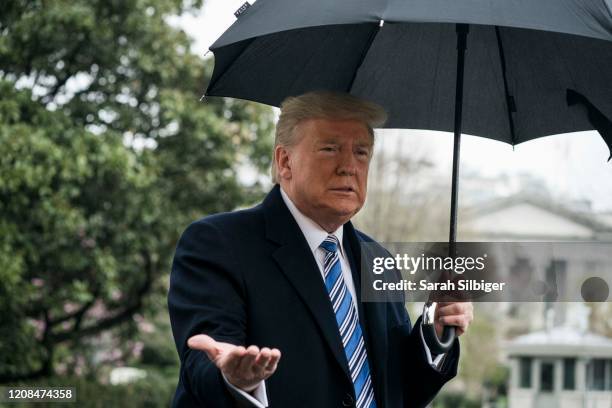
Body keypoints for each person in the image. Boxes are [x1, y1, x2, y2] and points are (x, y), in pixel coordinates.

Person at [168, 91, 474, 408]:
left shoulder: (379, 259)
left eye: (361, 152)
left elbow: (400, 392)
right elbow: (204, 364)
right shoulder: (218, 243)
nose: (348, 167)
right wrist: (236, 379)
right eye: (330, 149)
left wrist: (434, 331)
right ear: (284, 161)